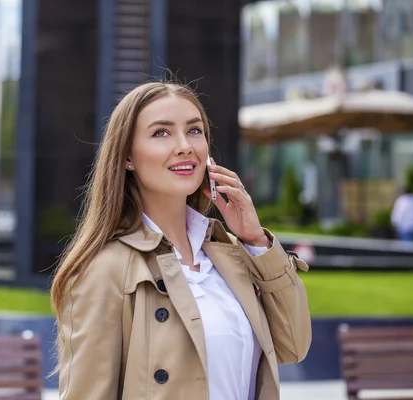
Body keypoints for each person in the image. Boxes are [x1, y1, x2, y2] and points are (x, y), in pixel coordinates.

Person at [50, 82, 311, 400]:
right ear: (127, 157)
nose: (185, 146)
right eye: (161, 132)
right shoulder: (105, 270)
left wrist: (256, 241)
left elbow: (294, 345)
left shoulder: (229, 254)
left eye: (194, 130)